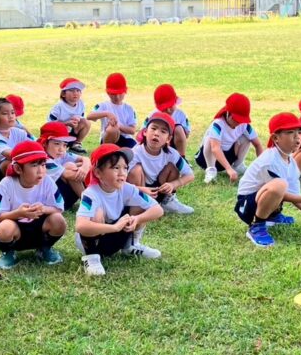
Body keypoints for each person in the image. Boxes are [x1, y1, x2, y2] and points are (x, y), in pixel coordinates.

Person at [236, 112, 301, 248]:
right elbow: (282, 194)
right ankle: (256, 226)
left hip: (263, 199)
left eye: (299, 133)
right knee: (280, 185)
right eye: (291, 133)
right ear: (276, 138)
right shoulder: (269, 160)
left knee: (281, 186)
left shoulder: (290, 161)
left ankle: (273, 216)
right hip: (246, 206)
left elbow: (295, 196)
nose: (297, 138)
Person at [75, 144, 164, 277]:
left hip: (117, 235)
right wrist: (115, 227)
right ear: (98, 173)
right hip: (93, 241)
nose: (122, 173)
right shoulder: (91, 193)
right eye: (116, 168)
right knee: (97, 213)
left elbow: (158, 209)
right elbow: (80, 226)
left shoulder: (127, 188)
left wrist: (137, 219)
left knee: (141, 207)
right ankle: (92, 258)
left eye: (125, 168)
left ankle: (130, 246)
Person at [0, 140, 67, 271]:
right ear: (18, 168)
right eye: (34, 165)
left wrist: (44, 209)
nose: (41, 171)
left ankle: (45, 248)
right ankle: (8, 253)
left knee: (58, 220)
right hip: (16, 230)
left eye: (43, 165)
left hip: (39, 229)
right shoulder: (6, 184)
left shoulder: (47, 181)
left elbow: (59, 208)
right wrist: (18, 213)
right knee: (4, 228)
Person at [128, 112, 195, 215]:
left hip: (160, 189)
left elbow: (190, 175)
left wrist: (173, 184)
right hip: (140, 190)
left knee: (173, 167)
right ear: (145, 132)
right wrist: (141, 189)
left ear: (168, 139)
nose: (156, 133)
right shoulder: (135, 152)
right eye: (153, 128)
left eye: (163, 131)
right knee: (136, 169)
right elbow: (121, 182)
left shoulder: (172, 153)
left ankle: (167, 201)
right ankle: (139, 203)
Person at [195, 93, 263, 184]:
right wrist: (228, 169)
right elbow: (215, 148)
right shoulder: (218, 124)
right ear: (228, 113)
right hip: (206, 159)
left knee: (246, 138)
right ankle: (211, 171)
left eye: (241, 120)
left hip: (228, 156)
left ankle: (238, 166)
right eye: (236, 119)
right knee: (209, 140)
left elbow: (258, 144)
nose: (239, 123)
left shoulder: (245, 125)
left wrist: (262, 166)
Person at [38, 121, 89, 212]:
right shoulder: (42, 159)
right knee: (70, 166)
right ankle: (89, 203)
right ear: (45, 143)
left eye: (65, 145)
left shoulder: (61, 153)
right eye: (57, 144)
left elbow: (86, 159)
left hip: (66, 196)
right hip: (53, 201)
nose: (61, 149)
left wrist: (84, 168)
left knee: (78, 165)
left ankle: (91, 200)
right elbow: (68, 174)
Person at [89, 73, 138, 148]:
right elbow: (89, 116)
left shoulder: (129, 109)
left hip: (125, 138)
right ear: (108, 93)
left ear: (125, 91)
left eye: (120, 93)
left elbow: (132, 130)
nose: (117, 97)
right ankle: (107, 150)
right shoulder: (103, 105)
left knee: (135, 150)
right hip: (108, 137)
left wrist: (119, 126)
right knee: (112, 129)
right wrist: (106, 114)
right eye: (113, 94)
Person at [48, 78, 90, 155]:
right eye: (72, 90)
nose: (75, 93)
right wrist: (67, 123)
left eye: (78, 91)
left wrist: (77, 120)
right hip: (58, 134)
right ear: (63, 94)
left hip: (72, 131)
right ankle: (59, 147)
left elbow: (81, 117)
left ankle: (76, 144)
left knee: (86, 122)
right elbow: (50, 125)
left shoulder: (81, 104)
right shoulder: (58, 107)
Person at [149, 84, 191, 156]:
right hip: (156, 144)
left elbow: (186, 134)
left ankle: (181, 159)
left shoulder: (180, 114)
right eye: (165, 108)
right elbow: (143, 133)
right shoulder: (153, 115)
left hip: (174, 145)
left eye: (170, 106)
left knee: (178, 128)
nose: (168, 110)